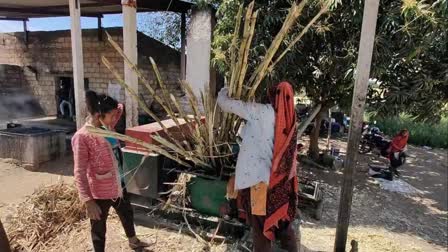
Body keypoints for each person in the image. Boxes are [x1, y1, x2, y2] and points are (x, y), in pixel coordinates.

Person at [217, 82, 299, 252]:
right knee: (282, 224)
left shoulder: (262, 112)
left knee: (260, 228)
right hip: (279, 184)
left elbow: (226, 105)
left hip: (259, 181)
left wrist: (225, 90)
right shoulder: (290, 119)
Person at [72, 90, 149, 252]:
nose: (116, 118)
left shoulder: (107, 127)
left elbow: (119, 108)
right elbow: (79, 171)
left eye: (115, 115)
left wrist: (110, 106)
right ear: (99, 115)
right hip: (99, 192)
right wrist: (88, 201)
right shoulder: (83, 137)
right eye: (112, 115)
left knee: (127, 214)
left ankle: (133, 241)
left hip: (118, 184)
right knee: (99, 227)